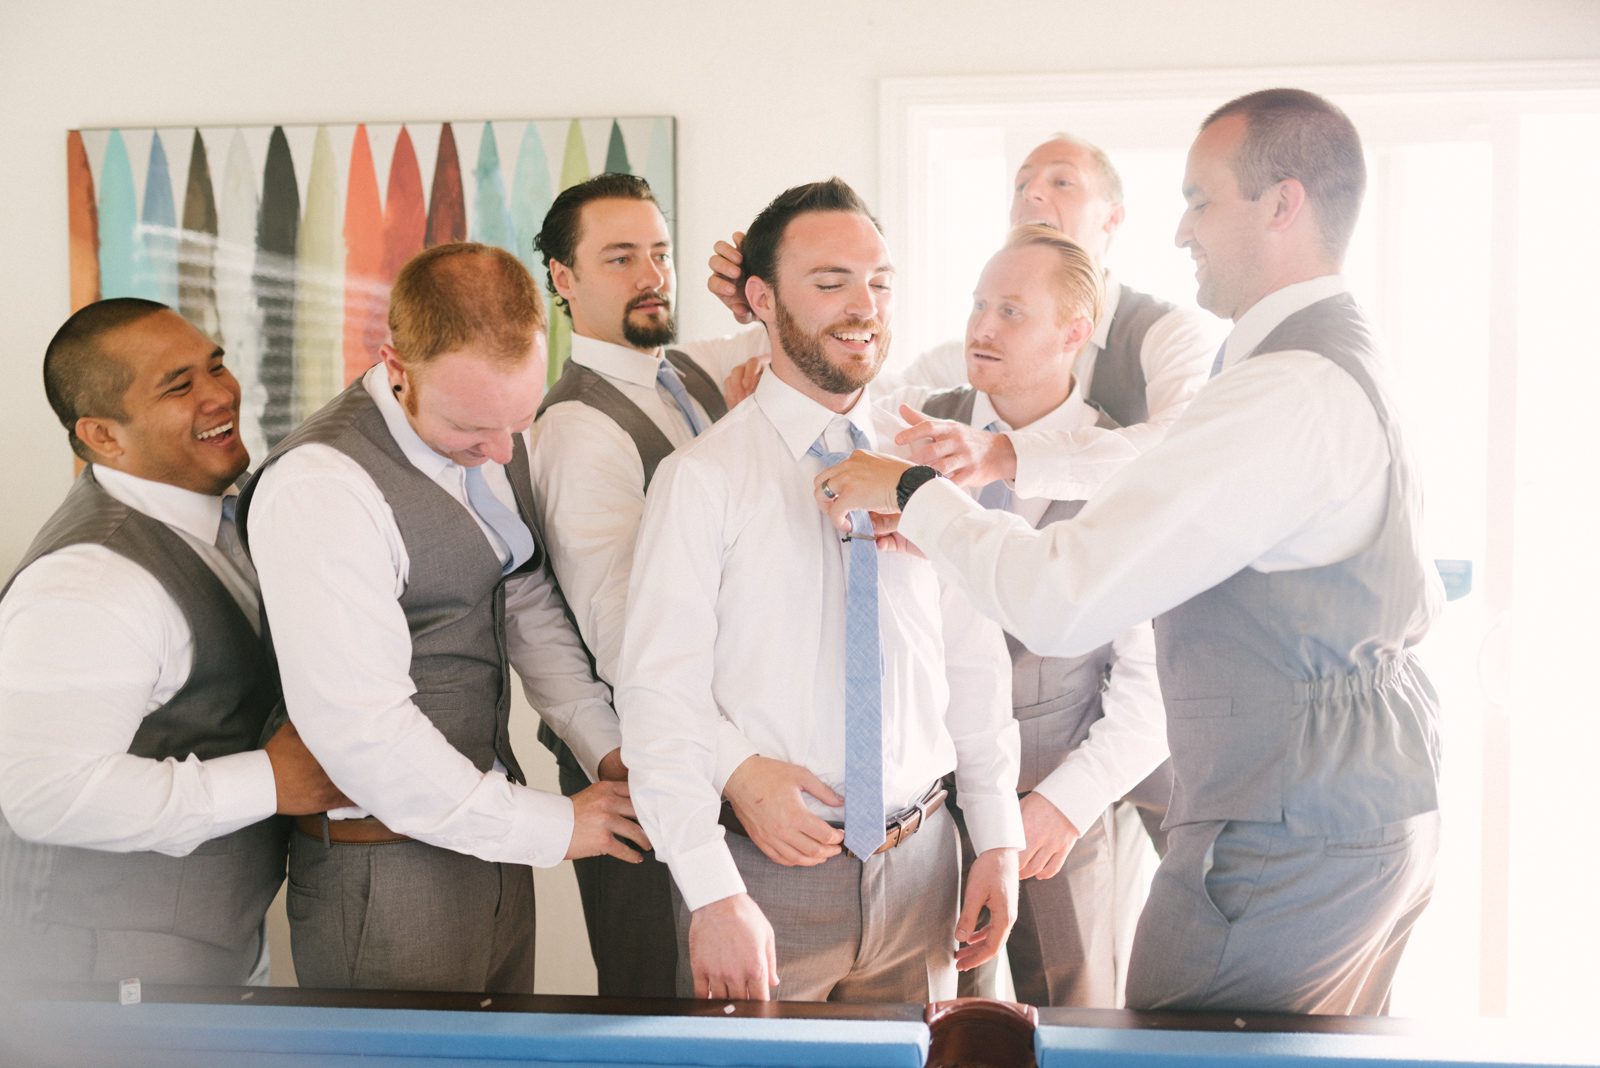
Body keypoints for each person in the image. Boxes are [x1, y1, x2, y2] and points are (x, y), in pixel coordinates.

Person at [815, 89, 1443, 1015]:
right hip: (1362, 809)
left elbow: (1065, 597)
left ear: (1283, 205)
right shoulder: (1337, 359)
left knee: (1171, 1043)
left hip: (1290, 832)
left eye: (1200, 200)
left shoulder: (1283, 391)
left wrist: (916, 495)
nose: (1182, 231)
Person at [617, 179, 1023, 1003]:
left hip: (925, 877)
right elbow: (657, 695)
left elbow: (974, 669)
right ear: (760, 298)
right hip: (763, 884)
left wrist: (999, 841)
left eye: (879, 282)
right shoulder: (702, 480)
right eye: (831, 282)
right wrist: (712, 890)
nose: (863, 307)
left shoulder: (928, 472)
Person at [239, 243, 648, 994]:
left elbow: (521, 598)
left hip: (490, 848)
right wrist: (557, 827)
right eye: (471, 431)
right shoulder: (322, 488)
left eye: (517, 420)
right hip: (383, 870)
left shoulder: (492, 432)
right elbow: (365, 733)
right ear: (397, 366)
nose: (499, 451)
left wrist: (604, 746)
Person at [0, 298, 345, 986]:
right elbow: (41, 793)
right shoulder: (90, 581)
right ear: (103, 435)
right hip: (98, 971)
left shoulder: (233, 509)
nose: (219, 393)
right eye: (178, 386)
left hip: (204, 940)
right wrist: (269, 780)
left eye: (214, 365)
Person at [892, 226, 1167, 1007]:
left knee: (1073, 1020)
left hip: (1056, 803)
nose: (981, 327)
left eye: (1012, 311)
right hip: (920, 810)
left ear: (1075, 333)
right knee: (938, 1032)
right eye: (979, 304)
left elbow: (1151, 687)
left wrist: (1066, 805)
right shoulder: (908, 428)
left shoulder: (1126, 469)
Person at [529, 174, 764, 998]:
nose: (650, 276)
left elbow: (832, 347)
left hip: (713, 759)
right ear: (564, 278)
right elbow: (629, 632)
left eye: (659, 253)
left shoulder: (689, 372)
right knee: (663, 1008)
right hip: (644, 775)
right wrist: (733, 761)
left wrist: (758, 291)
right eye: (621, 257)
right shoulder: (578, 429)